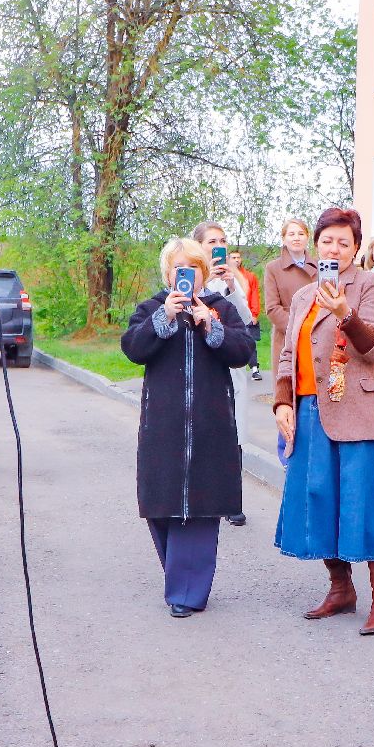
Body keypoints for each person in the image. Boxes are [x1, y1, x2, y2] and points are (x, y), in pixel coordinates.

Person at [272, 207, 374, 635]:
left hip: (355, 410)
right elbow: (289, 354)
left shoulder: (369, 285)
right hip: (310, 410)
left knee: (366, 502)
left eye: (344, 242)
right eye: (327, 241)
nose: (334, 249)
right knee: (321, 498)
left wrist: (346, 313)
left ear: (356, 248)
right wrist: (283, 402)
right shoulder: (304, 297)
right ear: (316, 246)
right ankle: (341, 588)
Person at [120, 237, 255, 617]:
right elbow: (132, 349)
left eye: (194, 267)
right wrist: (163, 318)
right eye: (180, 267)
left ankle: (186, 592)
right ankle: (182, 577)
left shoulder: (220, 308)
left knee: (201, 506)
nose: (187, 274)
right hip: (163, 425)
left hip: (210, 425)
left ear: (204, 272)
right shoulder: (151, 308)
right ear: (168, 273)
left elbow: (243, 351)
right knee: (162, 505)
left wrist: (211, 325)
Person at [193, 220, 254, 526]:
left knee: (234, 434)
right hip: (202, 369)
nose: (218, 246)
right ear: (199, 247)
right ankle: (201, 497)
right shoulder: (191, 279)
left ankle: (233, 501)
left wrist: (231, 286)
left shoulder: (232, 279)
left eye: (222, 240)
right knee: (204, 433)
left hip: (231, 368)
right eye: (211, 241)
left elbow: (247, 320)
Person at [263, 218, 316, 462]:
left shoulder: (321, 267)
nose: (296, 238)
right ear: (283, 239)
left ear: (307, 237)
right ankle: (287, 456)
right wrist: (300, 327)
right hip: (288, 342)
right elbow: (272, 309)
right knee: (287, 396)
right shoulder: (273, 268)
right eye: (291, 234)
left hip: (319, 341)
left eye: (300, 233)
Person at [229, 246, 263, 381]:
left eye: (238, 257)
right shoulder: (224, 275)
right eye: (233, 258)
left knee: (250, 341)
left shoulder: (249, 276)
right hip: (230, 314)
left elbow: (254, 295)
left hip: (246, 314)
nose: (236, 260)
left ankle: (254, 368)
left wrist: (254, 313)